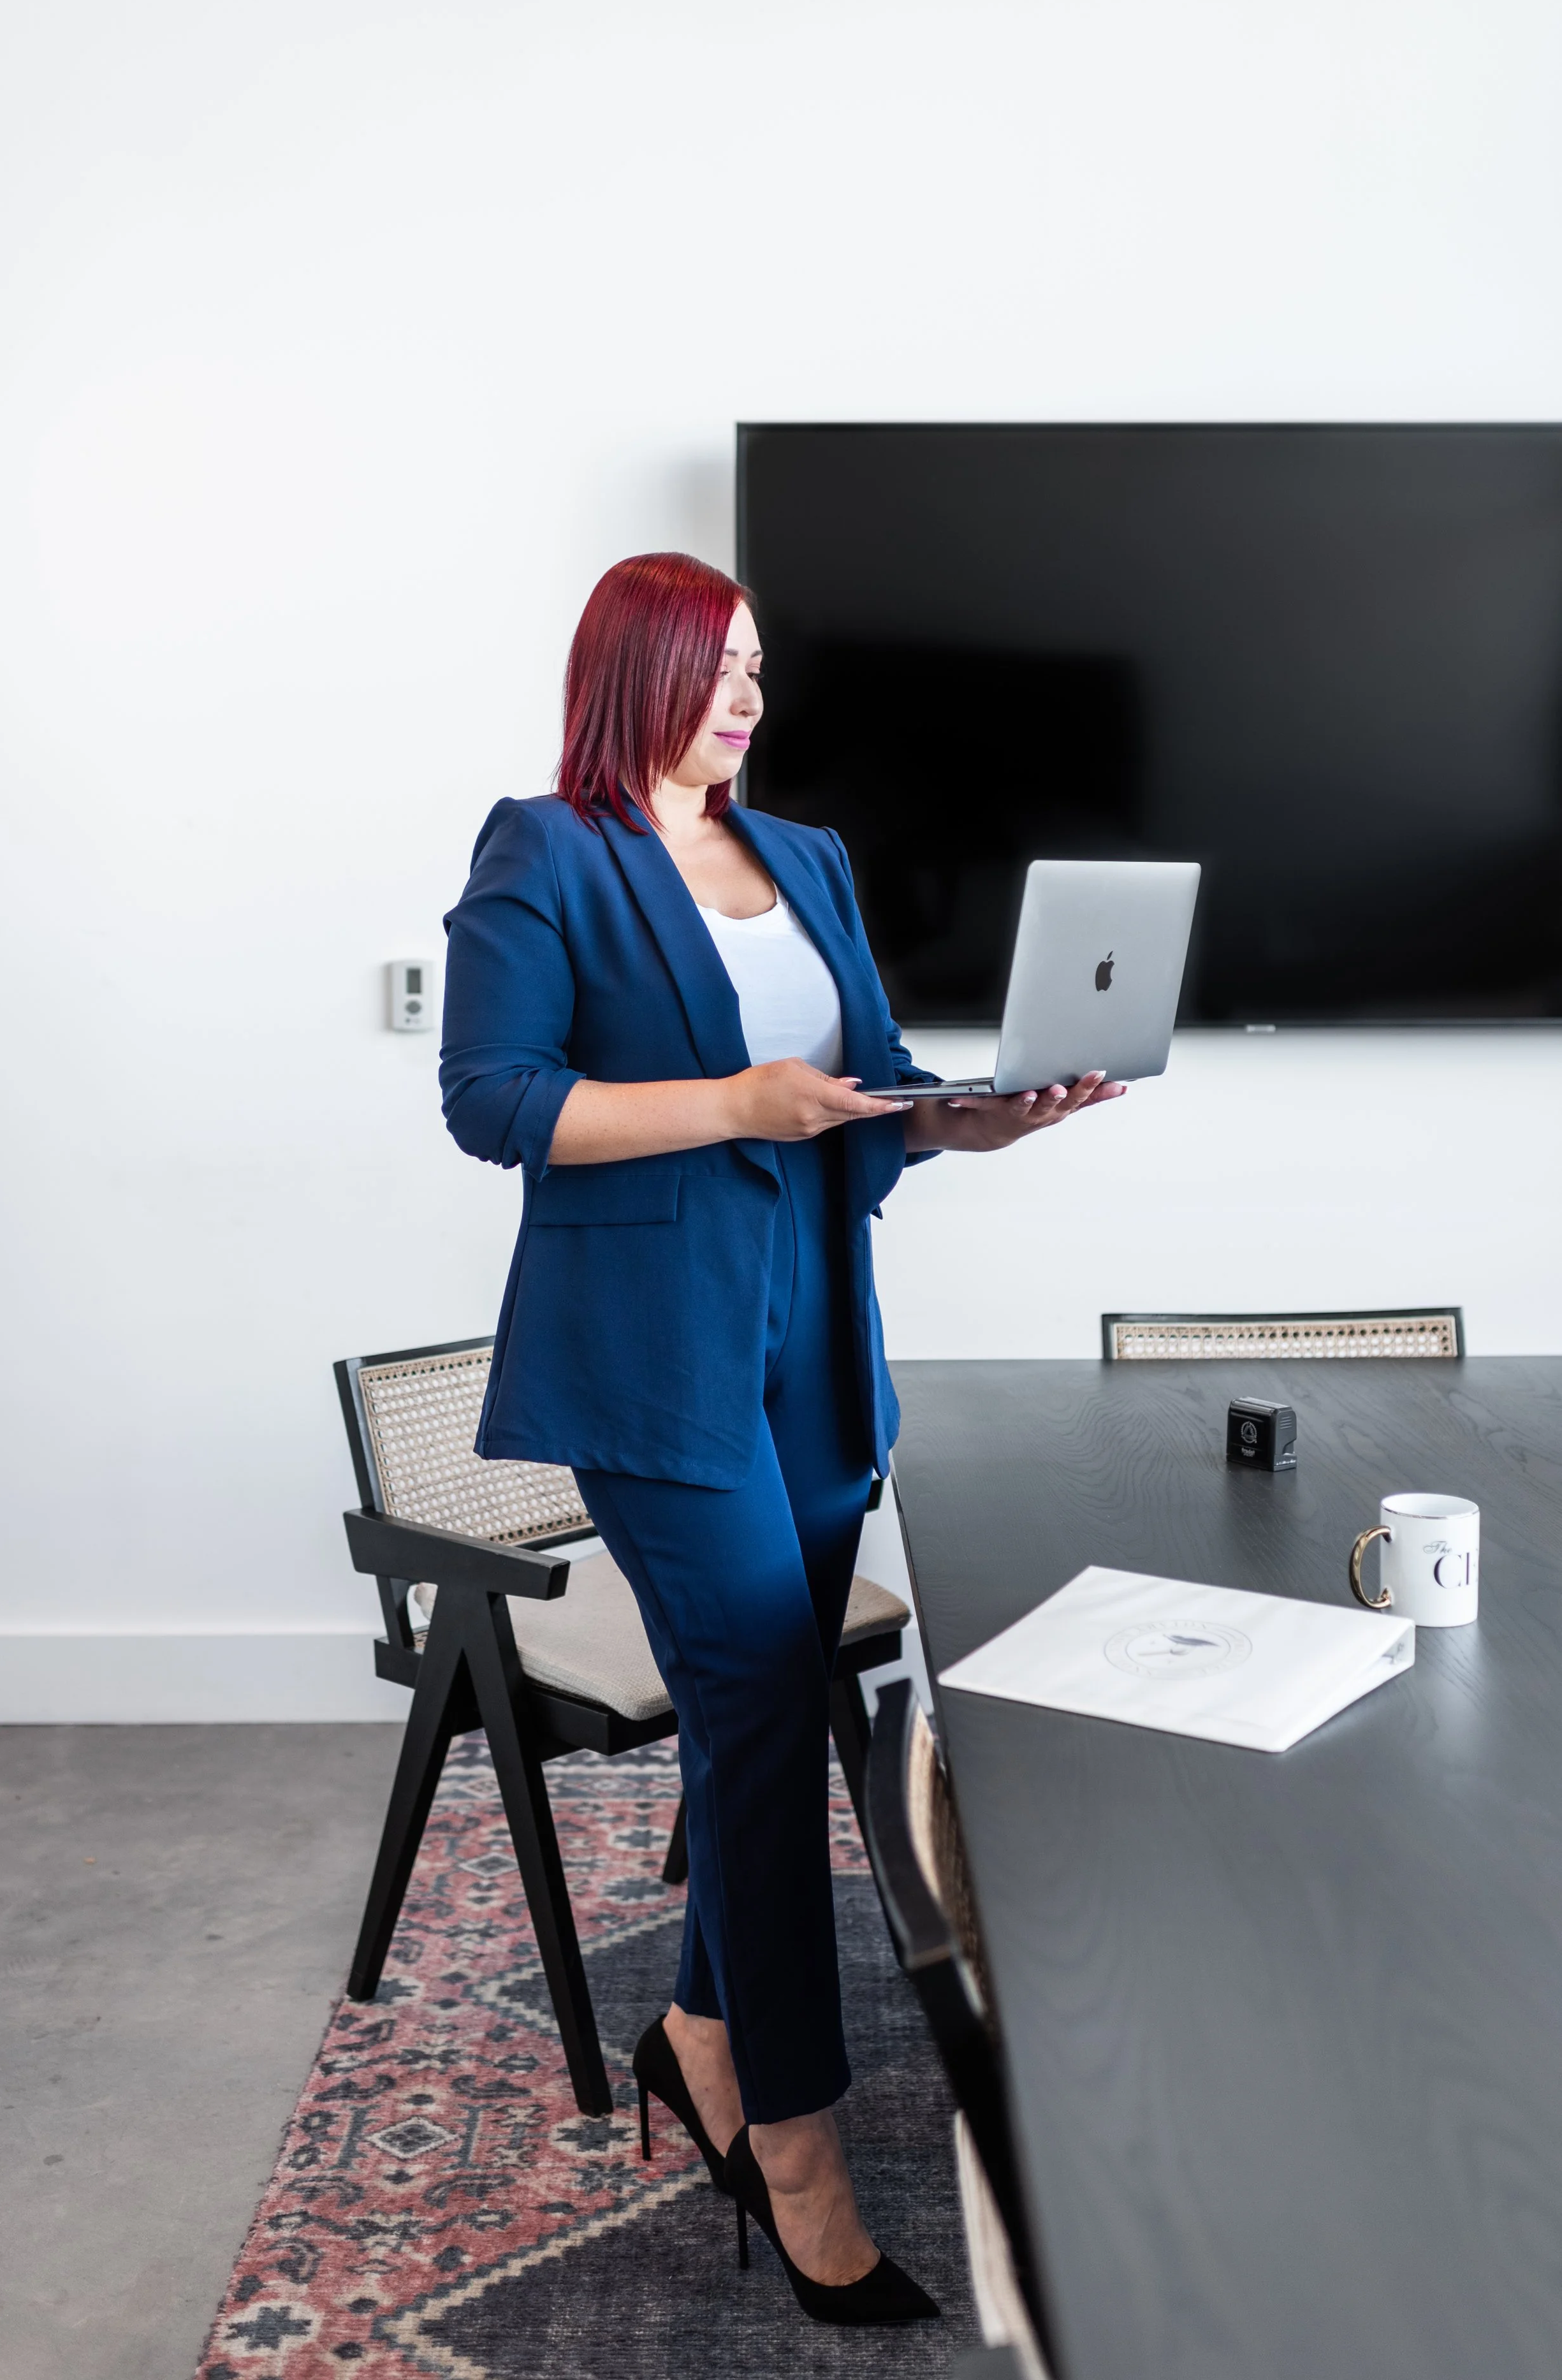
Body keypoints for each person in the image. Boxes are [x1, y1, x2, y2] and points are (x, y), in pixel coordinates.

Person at [440, 551, 1121, 2325]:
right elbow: (494, 1104)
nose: (748, 701)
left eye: (756, 672)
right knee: (764, 1719)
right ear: (631, 673)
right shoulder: (549, 850)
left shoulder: (803, 857)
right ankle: (795, 2147)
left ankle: (694, 2028)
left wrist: (989, 1120)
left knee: (762, 1716)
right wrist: (730, 1104)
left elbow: (866, 1107)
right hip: (649, 1365)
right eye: (716, 672)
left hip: (814, 1349)